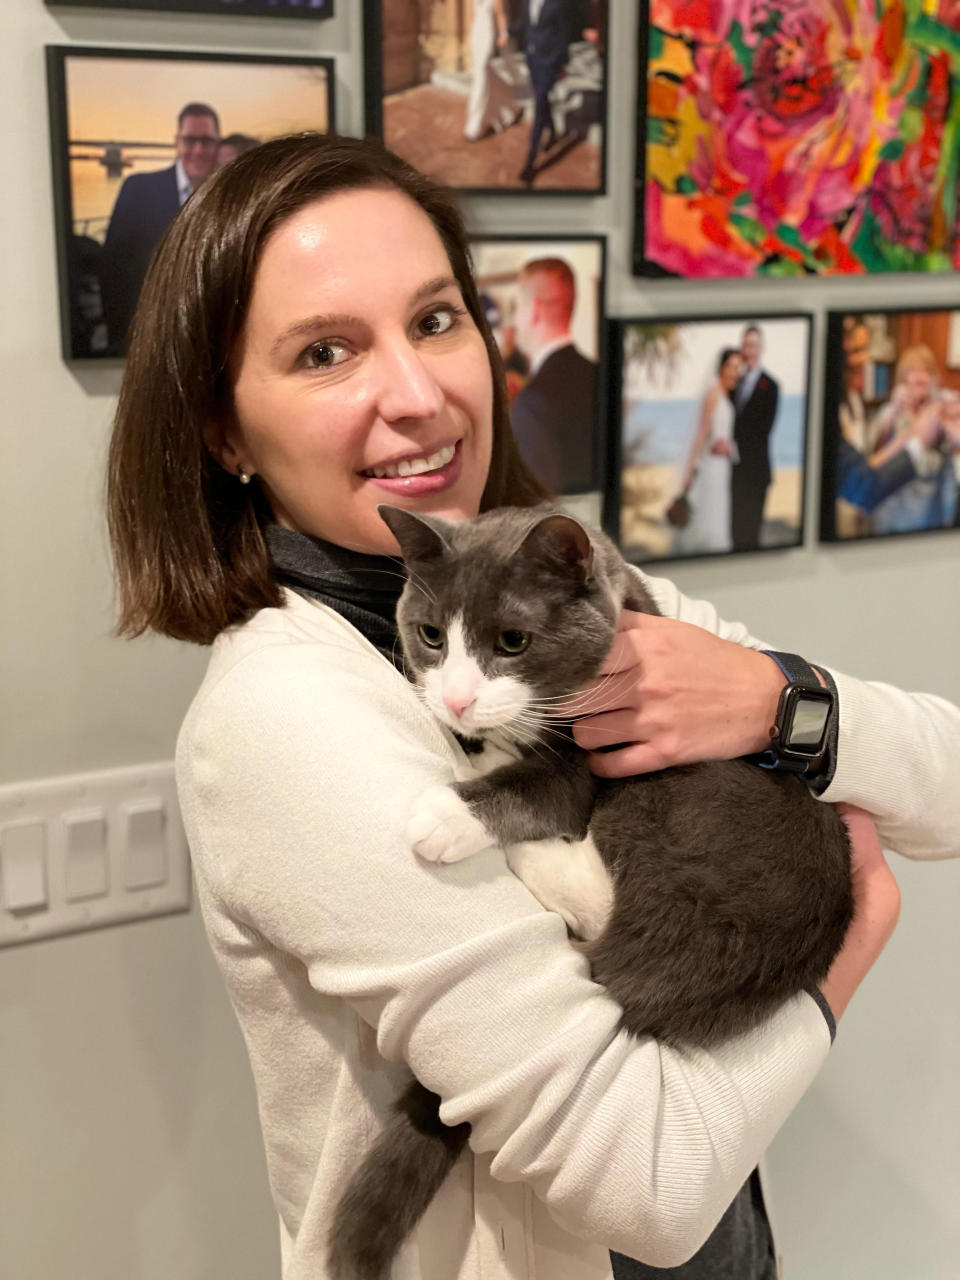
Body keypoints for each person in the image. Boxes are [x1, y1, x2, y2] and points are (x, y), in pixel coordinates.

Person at [105, 133, 956, 1280]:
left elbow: (946, 784)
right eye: (324, 351)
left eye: (438, 318)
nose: (416, 392)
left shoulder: (566, 585)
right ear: (222, 428)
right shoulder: (287, 719)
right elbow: (650, 1178)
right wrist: (844, 957)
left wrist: (776, 698)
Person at [99, 102, 220, 355]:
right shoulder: (139, 190)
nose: (198, 150)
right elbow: (113, 271)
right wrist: (122, 342)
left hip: (215, 344)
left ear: (217, 143)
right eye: (190, 140)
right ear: (177, 142)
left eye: (206, 141)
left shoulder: (229, 198)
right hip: (150, 344)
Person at [510, 256, 598, 493]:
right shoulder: (600, 376)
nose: (515, 320)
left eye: (517, 307)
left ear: (534, 310)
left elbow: (540, 508)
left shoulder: (532, 403)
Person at [870, 346, 952, 535]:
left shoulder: (943, 408)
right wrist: (894, 414)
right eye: (912, 371)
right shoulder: (889, 413)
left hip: (932, 517)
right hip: (892, 517)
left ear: (934, 378)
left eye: (925, 370)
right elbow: (873, 464)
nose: (919, 377)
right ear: (902, 380)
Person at [674, 346, 742, 554]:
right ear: (721, 368)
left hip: (723, 466)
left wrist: (730, 447)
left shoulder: (728, 397)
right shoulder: (714, 395)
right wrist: (690, 468)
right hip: (712, 465)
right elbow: (702, 432)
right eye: (730, 366)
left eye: (738, 368)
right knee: (711, 511)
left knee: (719, 511)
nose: (734, 372)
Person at [730, 324, 779, 552]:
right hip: (733, 471)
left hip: (756, 472)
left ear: (761, 349)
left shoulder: (771, 386)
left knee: (751, 536)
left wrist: (732, 447)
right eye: (745, 345)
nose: (748, 351)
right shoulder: (733, 383)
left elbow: (763, 430)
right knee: (734, 532)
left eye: (753, 345)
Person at [517, 0, 576, 185]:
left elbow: (564, 33)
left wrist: (562, 63)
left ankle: (530, 161)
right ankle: (552, 133)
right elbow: (524, 24)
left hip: (549, 63)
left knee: (539, 103)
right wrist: (505, 32)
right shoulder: (527, 3)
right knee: (542, 101)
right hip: (533, 60)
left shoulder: (557, 4)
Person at [464, 0, 523, 142]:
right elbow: (470, 16)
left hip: (487, 33)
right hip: (476, 34)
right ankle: (511, 107)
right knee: (485, 75)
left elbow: (500, 15)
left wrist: (503, 34)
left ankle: (475, 125)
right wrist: (470, 35)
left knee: (482, 75)